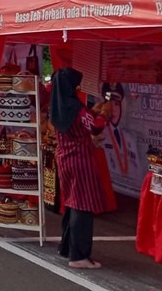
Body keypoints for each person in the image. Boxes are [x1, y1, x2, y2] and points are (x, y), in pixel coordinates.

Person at [50, 67, 105, 270]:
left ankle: (66, 247)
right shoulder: (75, 107)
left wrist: (93, 112)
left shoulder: (56, 106)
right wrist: (104, 115)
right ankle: (79, 255)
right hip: (81, 160)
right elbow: (95, 127)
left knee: (72, 204)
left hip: (64, 158)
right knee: (83, 206)